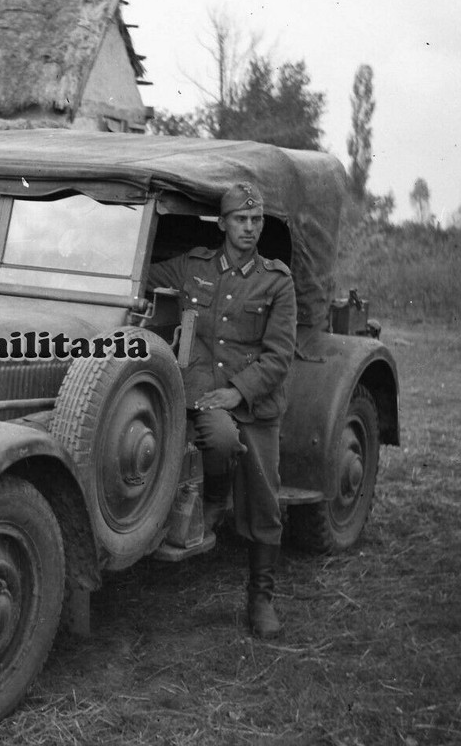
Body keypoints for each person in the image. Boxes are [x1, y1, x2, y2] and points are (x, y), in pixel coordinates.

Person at [148, 182, 297, 639]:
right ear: (223, 223)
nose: (249, 228)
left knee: (265, 499)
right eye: (240, 220)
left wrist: (237, 392)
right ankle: (213, 497)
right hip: (197, 392)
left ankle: (261, 597)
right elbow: (143, 276)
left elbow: (279, 354)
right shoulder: (193, 267)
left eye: (256, 221)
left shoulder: (276, 280)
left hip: (252, 403)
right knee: (217, 438)